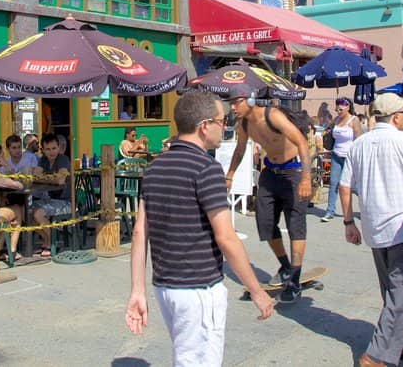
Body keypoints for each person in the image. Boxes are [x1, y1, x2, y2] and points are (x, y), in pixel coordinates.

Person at [125, 90, 273, 365]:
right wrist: (256, 289)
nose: (225, 126)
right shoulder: (206, 168)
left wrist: (137, 290)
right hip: (197, 289)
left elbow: (139, 231)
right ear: (204, 126)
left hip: (165, 287)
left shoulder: (154, 169)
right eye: (222, 120)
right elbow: (226, 238)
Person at [339, 93, 403, 367]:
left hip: (373, 227)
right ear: (397, 117)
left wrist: (348, 222)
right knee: (398, 293)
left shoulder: (359, 145)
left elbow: (345, 186)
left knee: (391, 290)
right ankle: (376, 354)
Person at [225, 87, 312, 303]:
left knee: (295, 225)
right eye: (231, 103)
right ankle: (285, 265)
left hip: (293, 171)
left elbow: (302, 142)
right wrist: (229, 175)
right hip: (270, 173)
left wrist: (306, 178)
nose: (232, 107)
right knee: (264, 223)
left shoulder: (272, 116)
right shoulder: (244, 124)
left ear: (251, 100)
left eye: (237, 102)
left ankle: (294, 278)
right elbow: (240, 149)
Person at [29, 133, 72, 257]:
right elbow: (34, 176)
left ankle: (53, 242)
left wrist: (43, 177)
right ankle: (47, 240)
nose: (51, 152)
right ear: (43, 150)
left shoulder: (63, 159)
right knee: (26, 212)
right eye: (48, 149)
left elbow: (60, 180)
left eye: (54, 148)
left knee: (37, 213)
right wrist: (50, 178)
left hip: (66, 202)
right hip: (50, 200)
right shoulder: (43, 160)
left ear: (59, 148)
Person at [322, 97, 363, 222]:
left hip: (349, 156)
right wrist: (327, 132)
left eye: (340, 109)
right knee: (334, 183)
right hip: (336, 155)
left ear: (347, 107)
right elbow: (328, 131)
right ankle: (330, 211)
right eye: (337, 108)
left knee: (353, 186)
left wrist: (357, 154)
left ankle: (367, 206)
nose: (338, 111)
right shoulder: (336, 119)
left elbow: (360, 138)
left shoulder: (354, 120)